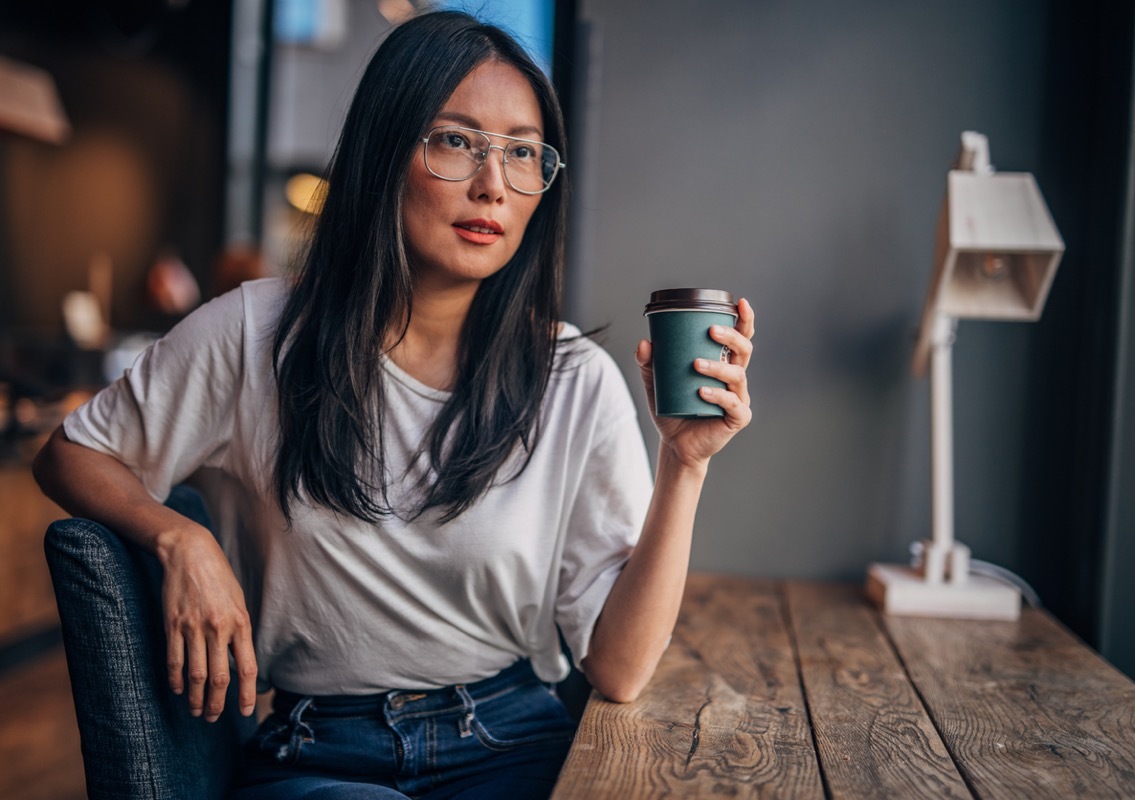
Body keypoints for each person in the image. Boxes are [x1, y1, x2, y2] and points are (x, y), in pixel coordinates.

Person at [33, 10, 755, 799]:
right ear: (384, 151)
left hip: (511, 742)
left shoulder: (571, 376)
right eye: (456, 141)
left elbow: (619, 669)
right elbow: (70, 453)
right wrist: (178, 538)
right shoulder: (255, 334)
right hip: (319, 756)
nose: (493, 184)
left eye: (522, 152)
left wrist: (685, 464)